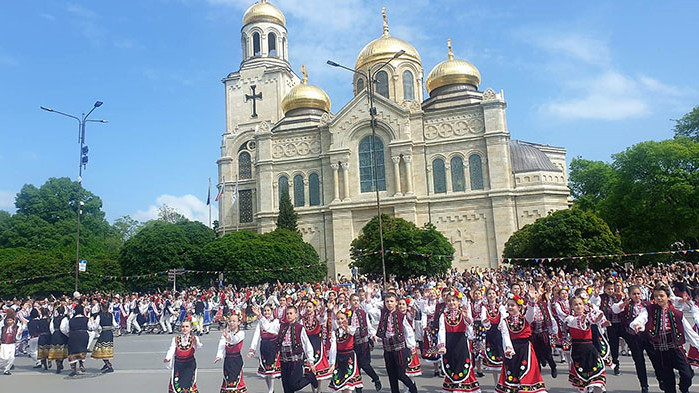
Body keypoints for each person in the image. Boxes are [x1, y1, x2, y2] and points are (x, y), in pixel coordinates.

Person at [631, 284, 699, 393]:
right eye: (656, 296)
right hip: (660, 351)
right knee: (668, 382)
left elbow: (689, 331)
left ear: (668, 297)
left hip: (676, 349)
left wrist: (697, 344)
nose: (658, 298)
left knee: (687, 374)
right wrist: (638, 325)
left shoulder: (677, 313)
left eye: (661, 296)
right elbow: (642, 318)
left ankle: (683, 387)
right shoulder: (649, 310)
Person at [496, 294, 547, 393]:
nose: (510, 307)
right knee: (512, 371)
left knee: (527, 370)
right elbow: (505, 335)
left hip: (525, 348)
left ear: (519, 307)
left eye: (512, 305)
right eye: (509, 305)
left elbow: (531, 313)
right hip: (513, 349)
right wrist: (508, 348)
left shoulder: (525, 318)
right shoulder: (504, 321)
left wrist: (532, 301)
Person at [436, 289, 481, 393]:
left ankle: (462, 387)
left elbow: (470, 325)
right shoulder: (444, 315)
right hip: (449, 343)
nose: (451, 303)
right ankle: (454, 386)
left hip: (461, 342)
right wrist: (442, 345)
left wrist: (466, 317)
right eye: (449, 301)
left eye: (454, 300)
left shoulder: (463, 313)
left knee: (462, 363)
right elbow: (441, 330)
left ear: (459, 302)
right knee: (452, 364)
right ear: (446, 303)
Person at [376, 292, 418, 393]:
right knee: (391, 375)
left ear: (396, 303)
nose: (389, 304)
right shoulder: (383, 314)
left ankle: (413, 388)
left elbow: (408, 332)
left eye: (391, 301)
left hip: (400, 349)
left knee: (401, 374)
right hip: (387, 348)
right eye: (387, 302)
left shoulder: (401, 315)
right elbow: (371, 308)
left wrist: (412, 347)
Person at [566, 295, 607, 393]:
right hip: (578, 351)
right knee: (584, 382)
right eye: (575, 305)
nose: (579, 306)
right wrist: (586, 319)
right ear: (571, 307)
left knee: (597, 380)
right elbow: (578, 323)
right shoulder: (569, 319)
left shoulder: (589, 316)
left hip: (591, 350)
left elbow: (595, 322)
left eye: (580, 304)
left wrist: (600, 322)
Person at [276, 305, 319, 393]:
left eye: (291, 313)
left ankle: (310, 377)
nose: (289, 315)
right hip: (284, 360)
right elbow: (268, 328)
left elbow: (306, 344)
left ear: (296, 315)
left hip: (295, 360)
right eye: (287, 313)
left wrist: (311, 361)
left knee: (294, 385)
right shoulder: (282, 326)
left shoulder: (299, 327)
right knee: (286, 386)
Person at [349, 293, 381, 392]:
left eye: (357, 300)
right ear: (350, 302)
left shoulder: (363, 312)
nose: (355, 302)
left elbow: (368, 325)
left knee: (365, 364)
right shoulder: (347, 313)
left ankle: (376, 379)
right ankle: (359, 390)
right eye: (353, 300)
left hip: (363, 342)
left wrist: (373, 335)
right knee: (356, 367)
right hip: (352, 343)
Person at [248, 305, 281, 393]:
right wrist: (252, 350)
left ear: (272, 311)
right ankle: (270, 389)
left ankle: (271, 389)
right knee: (266, 371)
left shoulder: (276, 321)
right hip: (264, 346)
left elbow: (269, 329)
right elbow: (256, 336)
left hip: (273, 346)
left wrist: (260, 317)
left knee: (271, 371)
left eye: (268, 310)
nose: (266, 312)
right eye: (265, 311)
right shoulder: (260, 322)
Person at [163, 320, 202, 393]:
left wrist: (196, 342)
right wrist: (167, 358)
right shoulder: (176, 339)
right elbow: (171, 349)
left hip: (189, 365)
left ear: (191, 328)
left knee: (187, 385)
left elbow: (198, 347)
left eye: (187, 326)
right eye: (183, 326)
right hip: (178, 365)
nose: (184, 328)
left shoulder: (193, 338)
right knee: (176, 384)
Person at [328, 311, 362, 392]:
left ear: (347, 319)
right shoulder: (335, 332)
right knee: (341, 385)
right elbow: (333, 348)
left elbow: (351, 332)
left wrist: (346, 328)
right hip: (339, 359)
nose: (340, 321)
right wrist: (332, 363)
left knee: (348, 384)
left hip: (349, 357)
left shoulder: (351, 329)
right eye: (338, 319)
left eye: (342, 318)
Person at [214, 314, 246, 393]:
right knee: (227, 380)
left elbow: (235, 340)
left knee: (236, 380)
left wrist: (228, 337)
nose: (231, 323)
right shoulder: (225, 333)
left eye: (234, 321)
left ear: (238, 323)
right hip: (228, 359)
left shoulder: (241, 333)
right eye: (230, 321)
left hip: (236, 359)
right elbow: (222, 345)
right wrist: (219, 355)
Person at [90, 302, 118, 373]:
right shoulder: (111, 315)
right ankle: (106, 363)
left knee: (100, 349)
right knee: (105, 348)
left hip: (104, 333)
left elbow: (95, 326)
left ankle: (109, 365)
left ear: (101, 308)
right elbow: (115, 324)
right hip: (109, 333)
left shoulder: (100, 316)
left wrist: (91, 322)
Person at [64, 304, 89, 376]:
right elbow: (91, 327)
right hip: (83, 335)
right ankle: (81, 364)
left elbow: (66, 329)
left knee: (72, 352)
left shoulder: (71, 320)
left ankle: (73, 369)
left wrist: (69, 334)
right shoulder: (86, 319)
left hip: (73, 335)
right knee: (82, 350)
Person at [0, 309, 25, 375]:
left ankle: (6, 370)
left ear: (13, 320)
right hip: (4, 344)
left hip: (12, 344)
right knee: (4, 358)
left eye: (10, 320)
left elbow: (17, 337)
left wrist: (19, 334)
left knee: (11, 357)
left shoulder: (16, 326)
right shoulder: (3, 326)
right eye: (8, 320)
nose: (9, 321)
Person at [48, 305, 69, 374]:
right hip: (61, 335)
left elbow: (51, 328)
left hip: (55, 334)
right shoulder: (64, 318)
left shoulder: (54, 319)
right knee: (62, 350)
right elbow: (63, 328)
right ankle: (60, 363)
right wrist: (66, 335)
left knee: (56, 350)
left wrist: (54, 333)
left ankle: (58, 365)